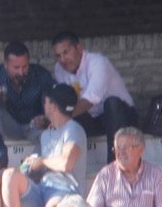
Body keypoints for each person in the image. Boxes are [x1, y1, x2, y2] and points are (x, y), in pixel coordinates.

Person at [1, 83, 86, 207]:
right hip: (42, 189)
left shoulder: (73, 129)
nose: (43, 106)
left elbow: (66, 164)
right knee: (9, 175)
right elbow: (36, 164)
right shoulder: (46, 134)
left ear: (53, 107)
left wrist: (43, 161)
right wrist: (29, 165)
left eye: (46, 102)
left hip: (65, 192)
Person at [51, 31, 137, 163]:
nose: (63, 59)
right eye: (58, 56)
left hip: (122, 118)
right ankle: (68, 162)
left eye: (66, 52)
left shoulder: (98, 62)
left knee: (111, 103)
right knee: (64, 109)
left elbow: (92, 99)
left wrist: (62, 116)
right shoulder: (59, 69)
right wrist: (51, 118)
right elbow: (64, 101)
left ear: (79, 48)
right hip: (93, 120)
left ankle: (115, 163)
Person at [0, 40, 55, 142]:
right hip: (8, 128)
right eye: (16, 67)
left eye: (25, 67)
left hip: (34, 127)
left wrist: (45, 118)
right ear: (5, 64)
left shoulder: (41, 75)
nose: (21, 72)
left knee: (51, 134)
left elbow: (54, 105)